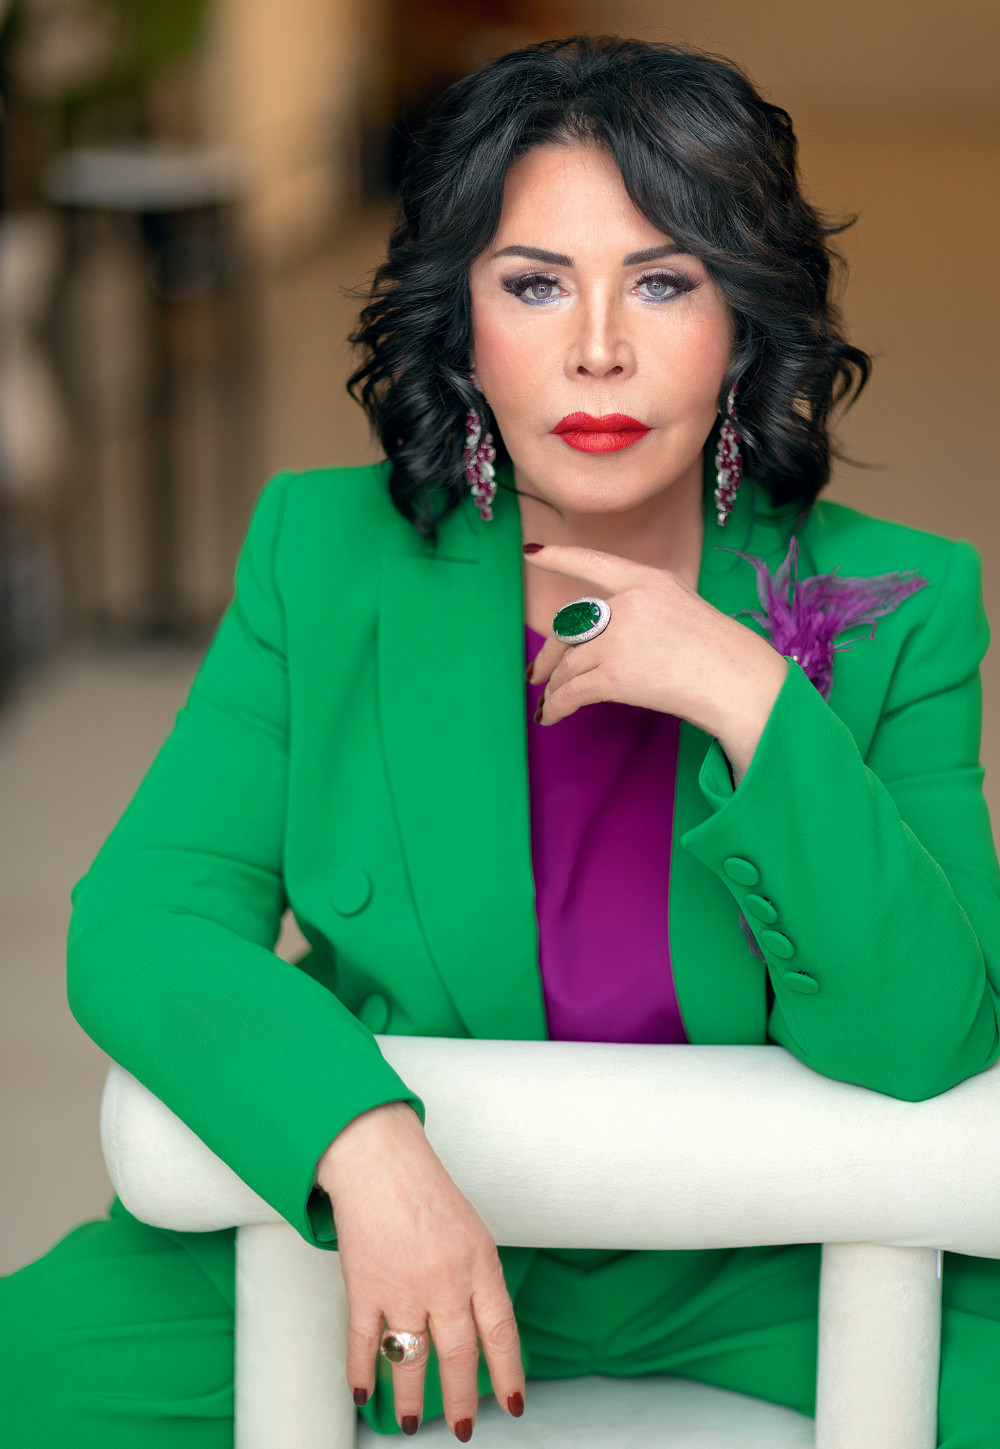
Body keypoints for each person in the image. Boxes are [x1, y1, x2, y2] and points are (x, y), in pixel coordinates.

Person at [3, 33, 1000, 1448]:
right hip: (397, 1221)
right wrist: (359, 1140)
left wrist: (752, 699)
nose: (598, 347)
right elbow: (143, 917)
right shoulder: (320, 556)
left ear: (746, 322)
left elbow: (927, 1040)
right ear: (461, 322)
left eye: (664, 280)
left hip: (770, 1261)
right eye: (535, 283)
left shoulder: (906, 601)